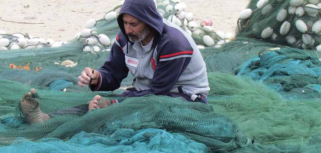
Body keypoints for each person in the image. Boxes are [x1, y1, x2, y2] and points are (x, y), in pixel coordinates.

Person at [20, 0, 210, 124]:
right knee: (95, 104)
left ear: (149, 21)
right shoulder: (126, 38)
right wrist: (96, 77)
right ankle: (47, 119)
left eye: (133, 24)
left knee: (116, 112)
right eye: (125, 23)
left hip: (183, 99)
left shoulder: (173, 43)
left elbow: (158, 92)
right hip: (144, 94)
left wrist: (114, 102)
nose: (127, 30)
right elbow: (113, 74)